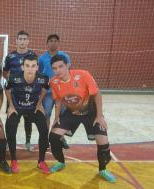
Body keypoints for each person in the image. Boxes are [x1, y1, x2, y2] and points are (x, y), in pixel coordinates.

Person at [48, 55, 116, 183]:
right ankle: (61, 162)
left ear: (68, 65)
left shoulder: (83, 75)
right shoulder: (54, 82)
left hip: (90, 112)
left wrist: (99, 115)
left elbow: (97, 95)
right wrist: (56, 118)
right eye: (54, 68)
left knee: (103, 142)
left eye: (61, 66)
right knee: (53, 136)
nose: (58, 71)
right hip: (71, 113)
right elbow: (58, 101)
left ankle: (103, 169)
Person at [5, 54, 50, 174]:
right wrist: (11, 106)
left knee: (44, 130)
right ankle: (14, 160)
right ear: (22, 67)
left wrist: (39, 103)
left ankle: (41, 161)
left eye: (33, 66)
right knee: (10, 126)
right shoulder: (14, 78)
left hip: (33, 108)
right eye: (27, 66)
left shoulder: (43, 78)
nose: (30, 69)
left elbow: (45, 89)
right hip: (17, 107)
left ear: (37, 67)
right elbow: (7, 90)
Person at [3, 31, 36, 151]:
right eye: (20, 39)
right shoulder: (10, 57)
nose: (22, 41)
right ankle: (8, 141)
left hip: (29, 93)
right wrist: (13, 82)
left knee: (28, 119)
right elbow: (5, 72)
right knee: (11, 119)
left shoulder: (32, 55)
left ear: (28, 41)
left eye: (24, 39)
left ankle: (28, 142)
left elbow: (35, 72)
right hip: (13, 94)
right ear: (16, 41)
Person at [38, 33, 71, 149]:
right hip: (47, 93)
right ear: (47, 43)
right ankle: (46, 139)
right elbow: (40, 74)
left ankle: (60, 137)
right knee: (46, 114)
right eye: (51, 40)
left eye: (55, 40)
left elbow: (68, 73)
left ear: (59, 43)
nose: (53, 42)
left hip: (62, 92)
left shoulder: (64, 56)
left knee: (62, 116)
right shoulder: (42, 58)